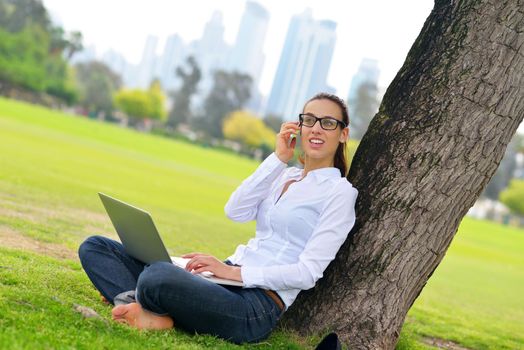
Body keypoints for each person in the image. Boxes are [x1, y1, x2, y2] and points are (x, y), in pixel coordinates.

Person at [78, 92, 358, 344]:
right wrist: (278, 158)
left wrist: (234, 273)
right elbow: (235, 211)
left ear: (343, 134)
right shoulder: (284, 174)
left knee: (158, 275)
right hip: (223, 280)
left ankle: (137, 299)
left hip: (256, 305)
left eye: (328, 123)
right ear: (299, 126)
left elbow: (307, 273)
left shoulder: (340, 193)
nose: (317, 128)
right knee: (96, 247)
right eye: (309, 120)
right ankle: (145, 305)